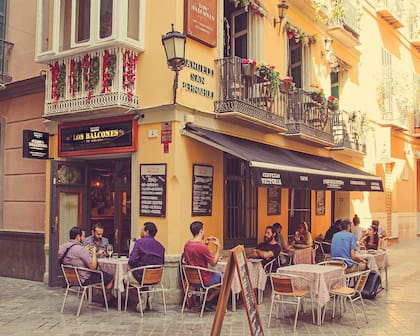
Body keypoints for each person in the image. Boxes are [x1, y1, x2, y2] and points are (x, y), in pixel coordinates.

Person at [58, 226, 114, 301]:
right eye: (83, 236)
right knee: (109, 278)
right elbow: (93, 267)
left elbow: (69, 258)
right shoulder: (81, 249)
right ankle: (107, 298)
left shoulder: (62, 247)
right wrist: (94, 252)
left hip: (72, 278)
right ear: (78, 236)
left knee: (102, 276)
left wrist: (84, 251)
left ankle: (104, 296)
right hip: (84, 278)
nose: (84, 238)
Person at [183, 221, 221, 311]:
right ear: (200, 231)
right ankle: (207, 300)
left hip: (191, 279)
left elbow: (197, 256)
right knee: (225, 279)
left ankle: (207, 301)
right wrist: (218, 248)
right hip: (204, 279)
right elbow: (214, 263)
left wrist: (206, 244)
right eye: (203, 230)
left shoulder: (187, 245)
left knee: (216, 277)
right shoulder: (202, 248)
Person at [127, 222, 165, 312]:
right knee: (143, 277)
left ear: (146, 232)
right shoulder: (161, 246)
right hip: (155, 279)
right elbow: (162, 263)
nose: (140, 232)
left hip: (141, 277)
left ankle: (141, 296)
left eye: (141, 230)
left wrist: (134, 265)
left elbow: (131, 260)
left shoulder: (139, 243)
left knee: (123, 279)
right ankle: (146, 294)